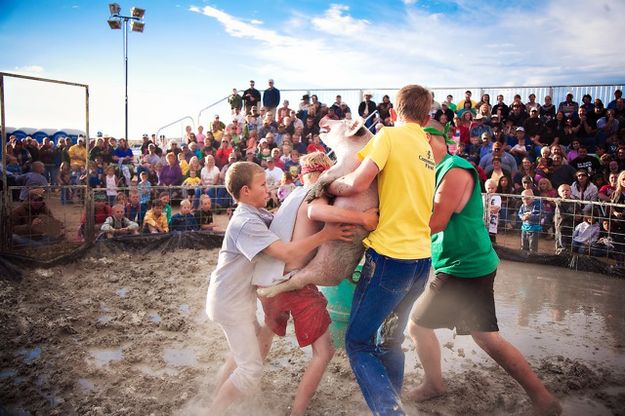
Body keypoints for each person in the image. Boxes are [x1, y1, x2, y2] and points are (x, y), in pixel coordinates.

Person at [291, 85, 435, 415]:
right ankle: (393, 399)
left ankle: (390, 411)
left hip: (390, 258)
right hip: (421, 259)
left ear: (394, 112)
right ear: (426, 117)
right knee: (390, 341)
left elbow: (356, 183)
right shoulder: (425, 146)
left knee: (358, 343)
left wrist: (326, 185)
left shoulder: (387, 137)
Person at [407, 124, 561, 416]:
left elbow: (435, 222)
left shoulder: (453, 169)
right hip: (463, 262)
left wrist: (388, 228)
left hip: (464, 265)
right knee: (485, 337)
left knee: (418, 325)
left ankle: (434, 384)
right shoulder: (436, 170)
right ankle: (543, 398)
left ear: (426, 139)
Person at [205, 161, 353, 415]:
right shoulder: (245, 222)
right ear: (245, 192)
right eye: (262, 185)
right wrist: (326, 235)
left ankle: (214, 397)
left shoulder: (257, 213)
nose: (268, 189)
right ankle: (211, 411)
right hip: (230, 304)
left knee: (243, 352)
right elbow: (285, 252)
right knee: (250, 370)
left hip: (239, 299)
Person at [253, 152, 378, 416]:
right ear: (325, 174)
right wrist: (363, 219)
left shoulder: (295, 193)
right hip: (294, 284)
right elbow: (317, 211)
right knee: (324, 351)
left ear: (302, 174)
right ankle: (297, 411)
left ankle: (248, 379)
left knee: (267, 330)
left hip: (268, 279)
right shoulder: (316, 193)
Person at [484, 178, 501, 242]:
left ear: (496, 188)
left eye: (492, 188)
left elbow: (496, 209)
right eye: (488, 188)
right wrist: (489, 208)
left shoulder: (497, 197)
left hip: (493, 224)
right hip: (483, 224)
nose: (490, 190)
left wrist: (486, 208)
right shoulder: (483, 196)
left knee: (492, 241)